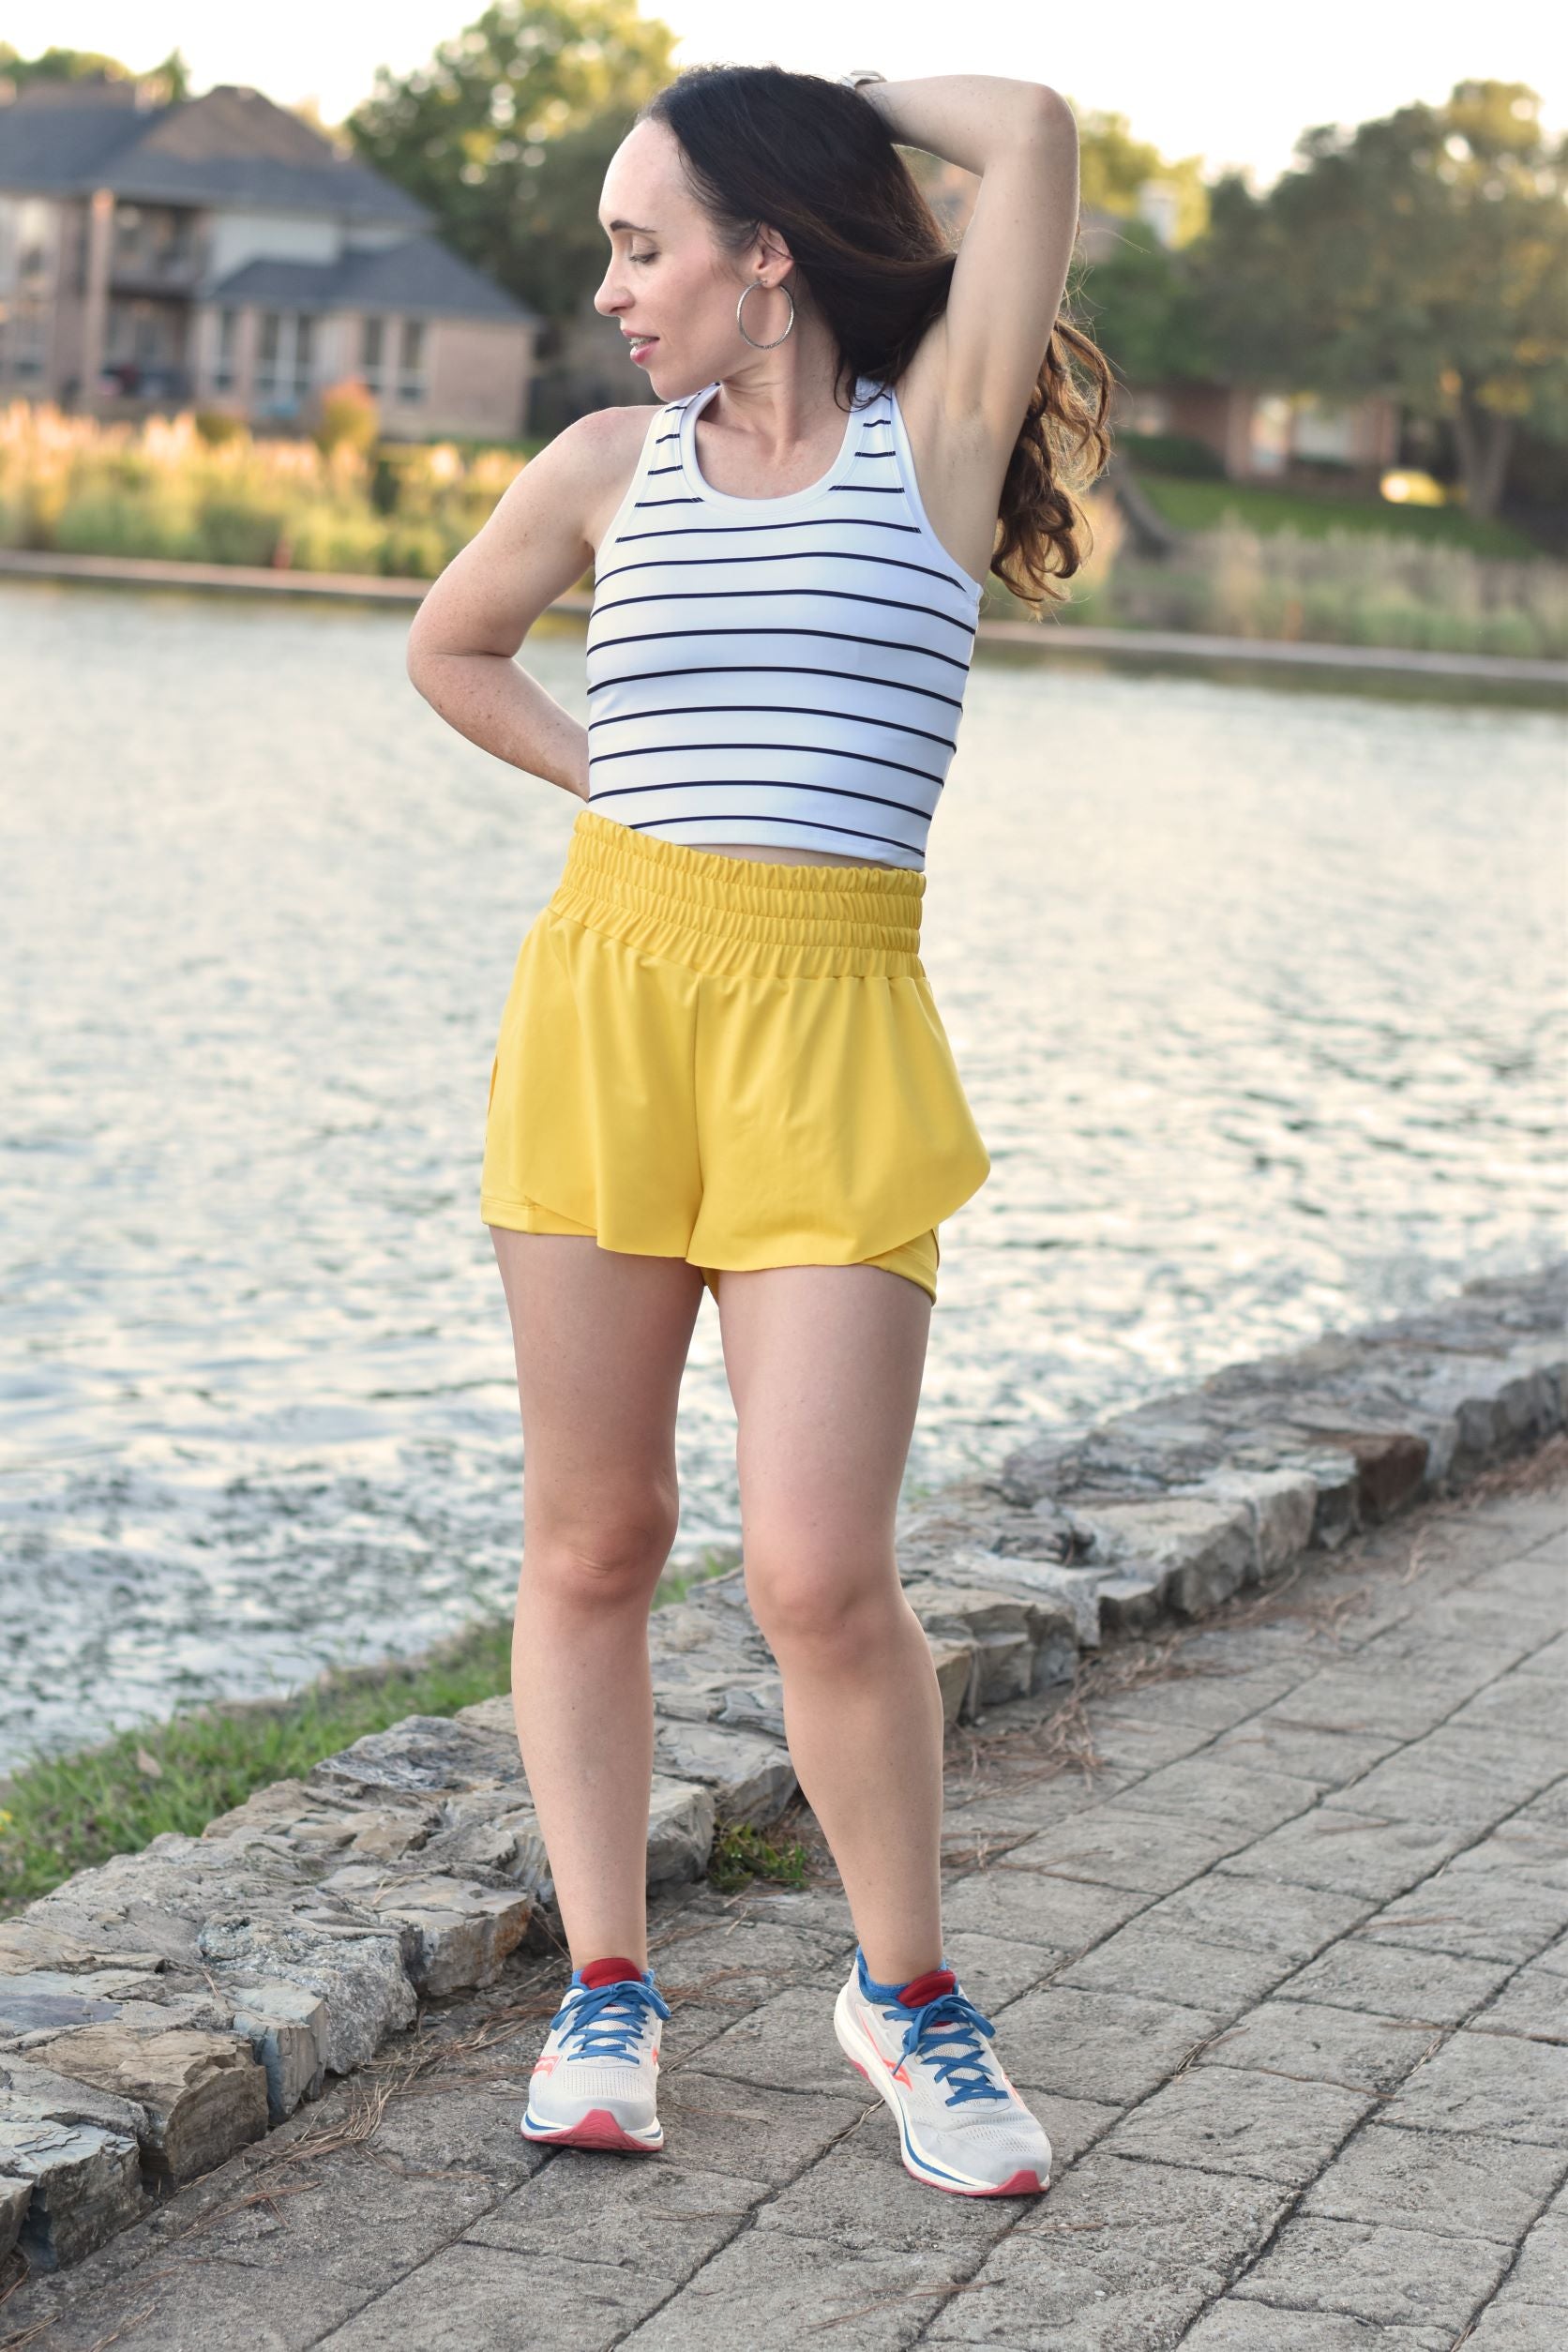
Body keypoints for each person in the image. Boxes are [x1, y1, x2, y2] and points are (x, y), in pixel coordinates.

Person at [407, 61, 1110, 2199]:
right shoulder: (605, 467)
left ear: (768, 252)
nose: (613, 289)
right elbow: (451, 649)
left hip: (832, 1025)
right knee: (595, 1538)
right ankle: (606, 1989)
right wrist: (620, 787)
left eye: (644, 244)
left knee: (816, 1570)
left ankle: (907, 2000)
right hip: (611, 1003)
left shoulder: (939, 438)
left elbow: (1034, 132)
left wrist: (816, 94)